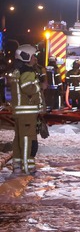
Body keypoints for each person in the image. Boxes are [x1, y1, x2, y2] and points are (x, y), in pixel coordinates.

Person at [7, 44, 46, 174]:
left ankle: (17, 166)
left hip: (21, 112)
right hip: (27, 113)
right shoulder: (27, 72)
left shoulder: (18, 70)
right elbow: (28, 88)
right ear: (26, 56)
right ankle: (28, 167)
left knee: (19, 139)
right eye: (33, 56)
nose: (35, 59)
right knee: (27, 140)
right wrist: (40, 84)